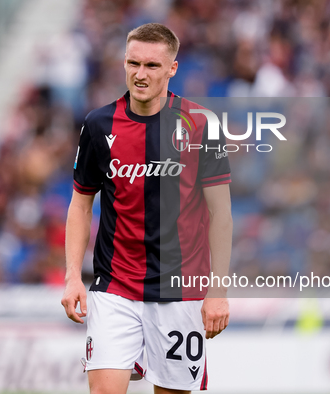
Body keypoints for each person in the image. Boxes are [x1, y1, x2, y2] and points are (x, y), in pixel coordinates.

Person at [61, 23, 233, 394]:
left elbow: (221, 215)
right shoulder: (98, 125)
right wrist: (73, 275)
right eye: (133, 63)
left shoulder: (203, 125)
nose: (140, 74)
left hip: (180, 292)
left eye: (152, 66)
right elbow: (80, 203)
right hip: (114, 287)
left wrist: (217, 291)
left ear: (172, 68)